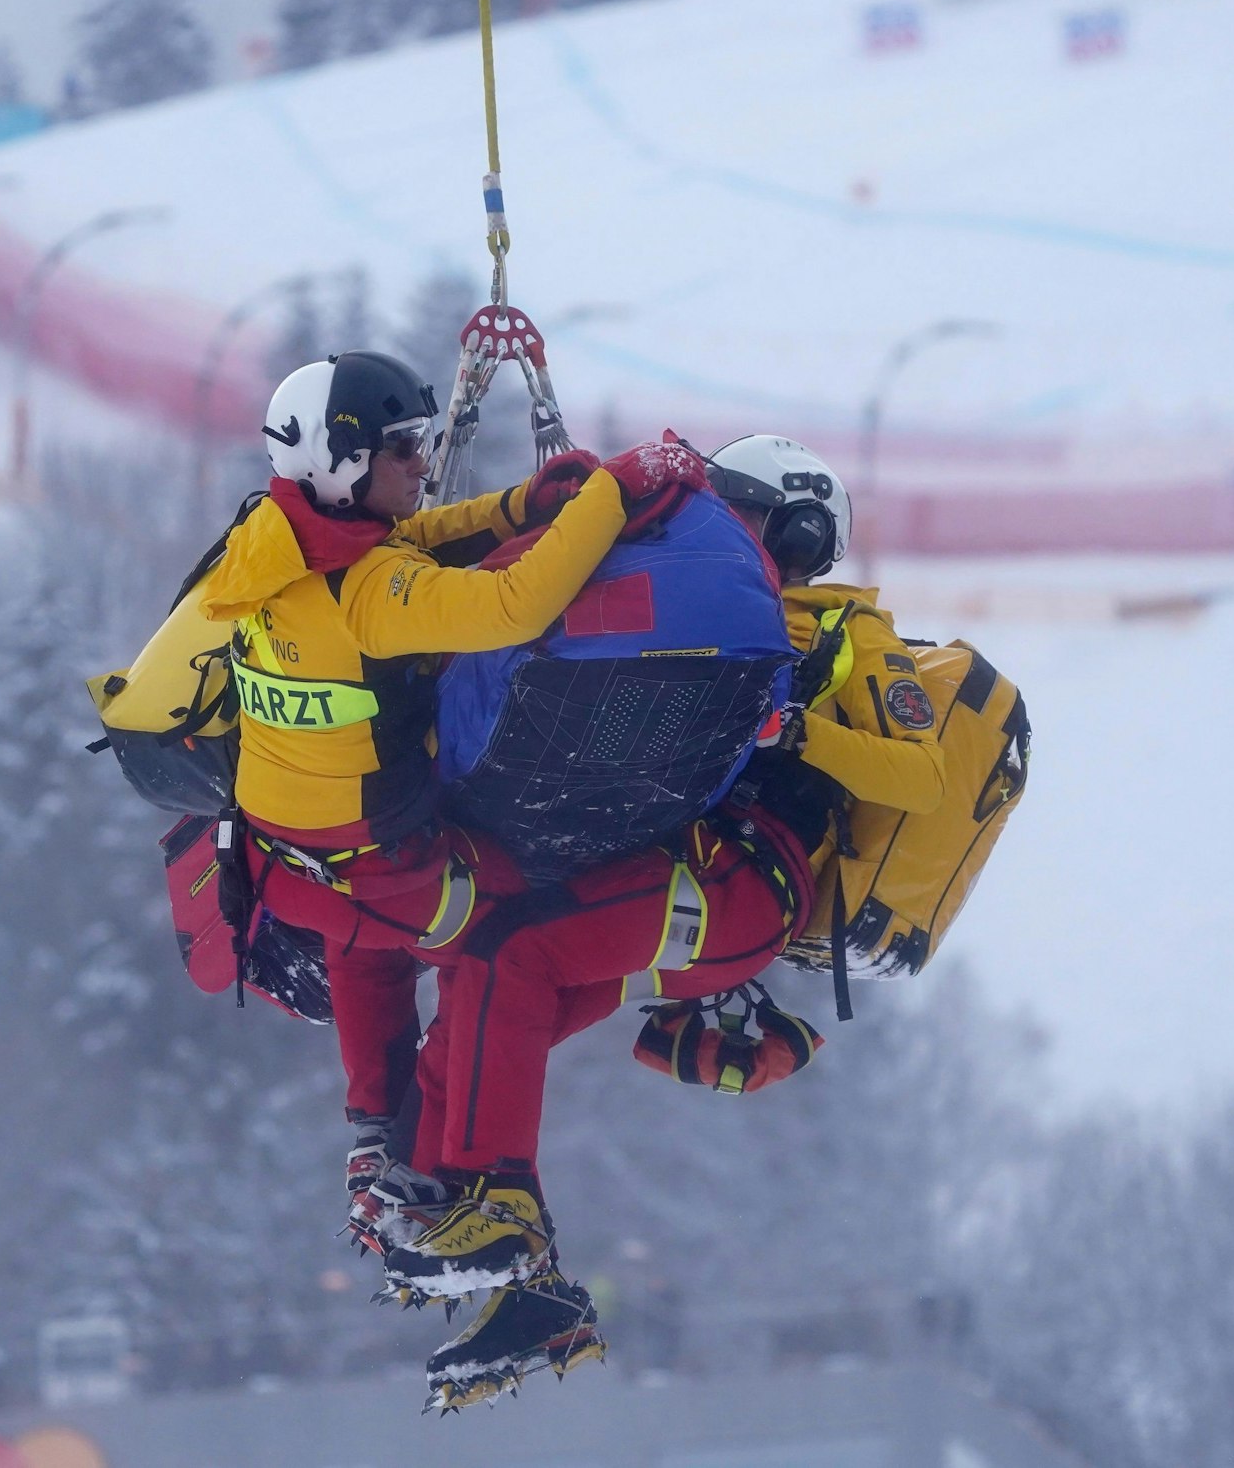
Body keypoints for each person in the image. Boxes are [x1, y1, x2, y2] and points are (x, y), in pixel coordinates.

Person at [369, 436, 949, 1404]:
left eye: (746, 521)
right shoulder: (674, 577)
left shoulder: (837, 628)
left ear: (792, 531)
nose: (721, 537)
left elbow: (922, 776)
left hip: (747, 876)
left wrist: (794, 728)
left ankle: (498, 1201)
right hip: (669, 863)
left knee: (515, 952)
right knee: (481, 989)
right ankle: (495, 1259)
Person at [194, 351, 709, 1229]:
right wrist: (612, 495)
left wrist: (518, 507)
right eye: (401, 449)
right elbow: (515, 605)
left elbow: (410, 543)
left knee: (369, 938)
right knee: (521, 940)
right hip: (386, 875)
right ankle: (465, 1170)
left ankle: (375, 1134)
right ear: (344, 459)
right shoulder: (371, 595)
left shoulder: (266, 545)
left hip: (286, 868)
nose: (422, 464)